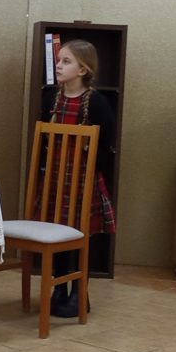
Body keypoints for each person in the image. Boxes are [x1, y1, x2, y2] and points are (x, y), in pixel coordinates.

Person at [41, 39, 116, 318]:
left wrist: (89, 176)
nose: (59, 66)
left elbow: (106, 146)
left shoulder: (97, 103)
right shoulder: (50, 98)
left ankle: (79, 292)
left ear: (83, 70)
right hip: (55, 179)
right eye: (59, 60)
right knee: (57, 233)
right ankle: (59, 289)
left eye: (66, 61)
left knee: (82, 235)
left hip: (83, 181)